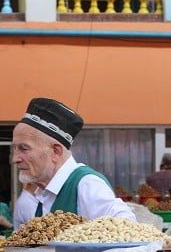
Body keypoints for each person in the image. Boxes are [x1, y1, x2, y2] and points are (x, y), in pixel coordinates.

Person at [11, 97, 135, 228]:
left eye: (23, 148)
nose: (15, 159)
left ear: (55, 151)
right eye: (14, 148)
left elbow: (127, 229)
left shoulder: (86, 184)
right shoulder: (44, 192)